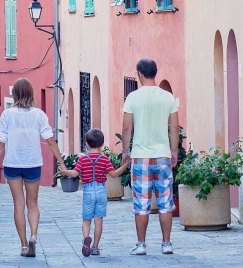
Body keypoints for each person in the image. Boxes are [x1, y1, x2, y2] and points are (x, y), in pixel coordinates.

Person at [0, 78, 66, 257]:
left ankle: (23, 246)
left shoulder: (7, 115)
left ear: (14, 94)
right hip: (33, 164)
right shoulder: (39, 115)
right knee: (33, 203)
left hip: (12, 164)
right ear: (31, 93)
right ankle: (33, 236)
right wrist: (61, 162)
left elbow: (0, 142)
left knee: (18, 204)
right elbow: (50, 140)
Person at [121, 58, 179, 255]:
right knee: (165, 202)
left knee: (141, 204)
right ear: (155, 72)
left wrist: (125, 152)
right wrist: (174, 151)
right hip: (162, 155)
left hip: (140, 157)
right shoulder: (168, 98)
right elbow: (174, 128)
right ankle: (166, 244)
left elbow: (127, 127)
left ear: (139, 73)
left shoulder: (132, 97)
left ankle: (141, 244)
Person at [59, 129, 130, 257]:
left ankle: (86, 238)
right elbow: (113, 175)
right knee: (98, 220)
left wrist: (64, 172)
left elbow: (75, 173)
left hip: (88, 191)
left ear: (86, 144)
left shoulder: (83, 160)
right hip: (101, 190)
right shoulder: (105, 159)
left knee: (86, 219)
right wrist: (125, 166)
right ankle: (95, 247)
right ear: (102, 144)